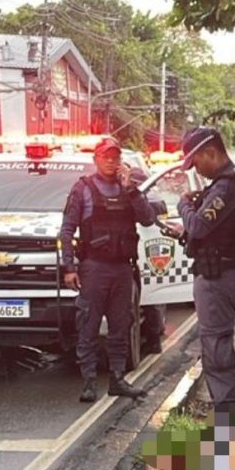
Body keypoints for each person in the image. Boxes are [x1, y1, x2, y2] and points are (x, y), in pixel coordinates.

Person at [60, 136, 159, 403]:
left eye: (115, 157)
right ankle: (90, 382)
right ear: (96, 159)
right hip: (93, 268)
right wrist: (69, 267)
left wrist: (131, 189)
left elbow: (148, 218)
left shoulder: (129, 189)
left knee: (121, 326)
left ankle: (117, 378)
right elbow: (67, 229)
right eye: (106, 156)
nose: (111, 161)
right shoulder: (83, 189)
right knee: (88, 327)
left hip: (122, 270)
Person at [176, 127, 235, 406]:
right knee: (216, 345)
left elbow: (199, 226)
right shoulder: (234, 185)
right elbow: (211, 231)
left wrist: (184, 207)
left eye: (196, 162)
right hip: (221, 272)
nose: (197, 170)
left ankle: (227, 428)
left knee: (216, 349)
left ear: (210, 152)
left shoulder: (226, 187)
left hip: (216, 278)